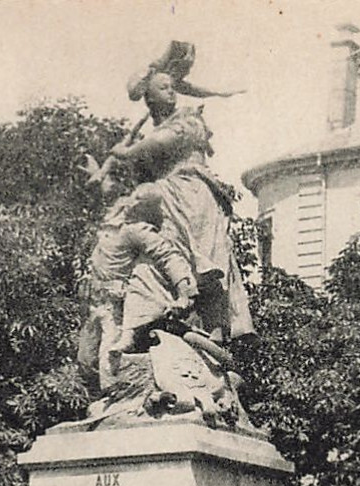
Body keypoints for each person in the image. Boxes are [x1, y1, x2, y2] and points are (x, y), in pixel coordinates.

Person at [100, 55, 253, 345]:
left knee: (207, 259)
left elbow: (164, 141)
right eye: (162, 87)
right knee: (164, 258)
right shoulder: (154, 133)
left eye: (172, 86)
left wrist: (126, 152)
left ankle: (215, 332)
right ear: (149, 97)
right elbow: (140, 175)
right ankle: (170, 319)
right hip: (167, 200)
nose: (171, 91)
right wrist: (109, 174)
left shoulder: (188, 119)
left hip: (194, 195)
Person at [76, 182, 199, 397]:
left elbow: (169, 257)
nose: (127, 202)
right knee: (85, 362)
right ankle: (102, 402)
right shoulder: (107, 229)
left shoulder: (135, 231)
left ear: (141, 209)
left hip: (113, 306)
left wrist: (184, 292)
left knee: (109, 360)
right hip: (92, 304)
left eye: (135, 201)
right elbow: (107, 194)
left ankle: (114, 403)